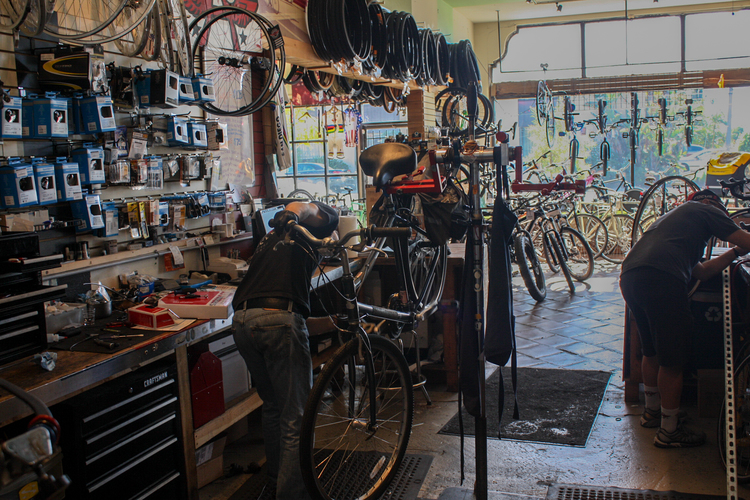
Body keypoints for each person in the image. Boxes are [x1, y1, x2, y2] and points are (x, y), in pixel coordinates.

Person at [620, 189, 750, 448]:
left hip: (631, 276)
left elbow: (701, 271)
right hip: (662, 280)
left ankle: (653, 413)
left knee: (652, 351)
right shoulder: (708, 211)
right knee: (673, 361)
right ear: (716, 207)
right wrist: (741, 239)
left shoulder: (675, 221)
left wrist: (734, 253)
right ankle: (669, 431)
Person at [232, 201, 339, 499]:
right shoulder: (313, 220)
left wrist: (335, 323)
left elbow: (295, 323)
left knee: (274, 407)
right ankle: (291, 495)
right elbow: (302, 206)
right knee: (297, 418)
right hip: (278, 322)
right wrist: (293, 213)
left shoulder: (273, 240)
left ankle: (276, 481)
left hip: (242, 322)